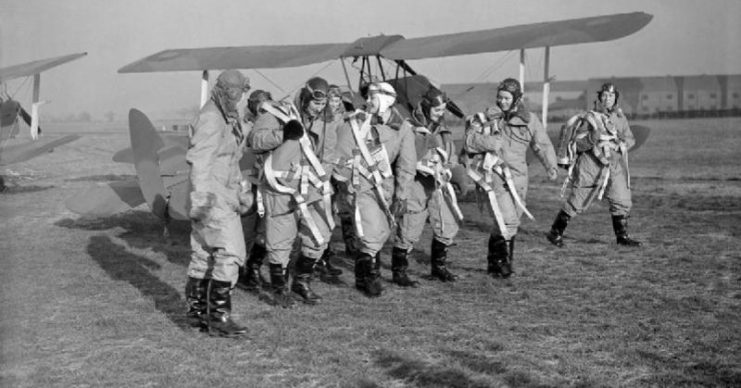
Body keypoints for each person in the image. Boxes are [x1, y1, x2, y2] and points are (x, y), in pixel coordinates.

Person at [249, 77, 338, 306]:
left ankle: (302, 281)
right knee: (280, 239)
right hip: (280, 187)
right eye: (315, 104)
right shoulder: (278, 113)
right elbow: (255, 141)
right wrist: (283, 134)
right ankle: (280, 289)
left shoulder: (326, 122)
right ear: (306, 98)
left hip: (311, 186)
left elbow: (328, 156)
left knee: (320, 234)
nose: (318, 109)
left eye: (322, 105)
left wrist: (322, 180)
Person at [463, 78, 558, 278]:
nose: (502, 101)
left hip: (519, 178)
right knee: (506, 219)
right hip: (495, 175)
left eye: (507, 98)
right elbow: (469, 142)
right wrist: (490, 142)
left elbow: (542, 145)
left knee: (511, 222)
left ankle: (496, 264)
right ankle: (503, 264)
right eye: (500, 97)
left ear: (517, 99)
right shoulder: (488, 118)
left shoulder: (529, 120)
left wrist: (551, 166)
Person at [184, 69, 252, 338]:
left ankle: (198, 313)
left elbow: (229, 160)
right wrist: (201, 201)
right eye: (236, 92)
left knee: (204, 254)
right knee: (231, 252)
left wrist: (240, 192)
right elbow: (200, 161)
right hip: (212, 196)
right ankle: (219, 317)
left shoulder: (224, 114)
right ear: (224, 90)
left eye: (241, 92)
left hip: (221, 192)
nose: (239, 98)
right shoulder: (212, 118)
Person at [334, 82, 416, 297]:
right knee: (370, 230)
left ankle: (363, 277)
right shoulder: (354, 123)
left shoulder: (403, 128)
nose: (368, 102)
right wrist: (344, 183)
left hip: (385, 187)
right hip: (359, 184)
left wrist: (402, 194)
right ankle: (370, 279)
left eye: (373, 97)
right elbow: (340, 154)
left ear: (387, 99)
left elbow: (407, 164)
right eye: (367, 97)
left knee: (380, 231)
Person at [546, 82, 641, 248]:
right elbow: (578, 144)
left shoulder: (620, 117)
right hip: (590, 165)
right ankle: (555, 232)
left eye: (611, 96)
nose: (607, 99)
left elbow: (630, 139)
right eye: (604, 95)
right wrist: (594, 138)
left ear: (615, 98)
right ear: (599, 97)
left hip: (614, 165)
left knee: (622, 199)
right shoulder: (589, 118)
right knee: (577, 200)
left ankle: (622, 237)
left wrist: (619, 144)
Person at [393, 87, 464, 284]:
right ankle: (399, 272)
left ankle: (438, 268)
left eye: (442, 110)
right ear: (425, 107)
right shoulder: (409, 127)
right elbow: (403, 155)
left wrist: (453, 170)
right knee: (410, 226)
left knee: (447, 223)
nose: (440, 114)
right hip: (416, 183)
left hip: (439, 183)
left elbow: (450, 154)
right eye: (436, 110)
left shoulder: (443, 130)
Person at [237, 90, 272, 293]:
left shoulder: (274, 126)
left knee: (267, 228)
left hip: (267, 181)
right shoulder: (243, 128)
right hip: (247, 180)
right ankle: (239, 268)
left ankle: (254, 265)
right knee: (246, 228)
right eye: (260, 106)